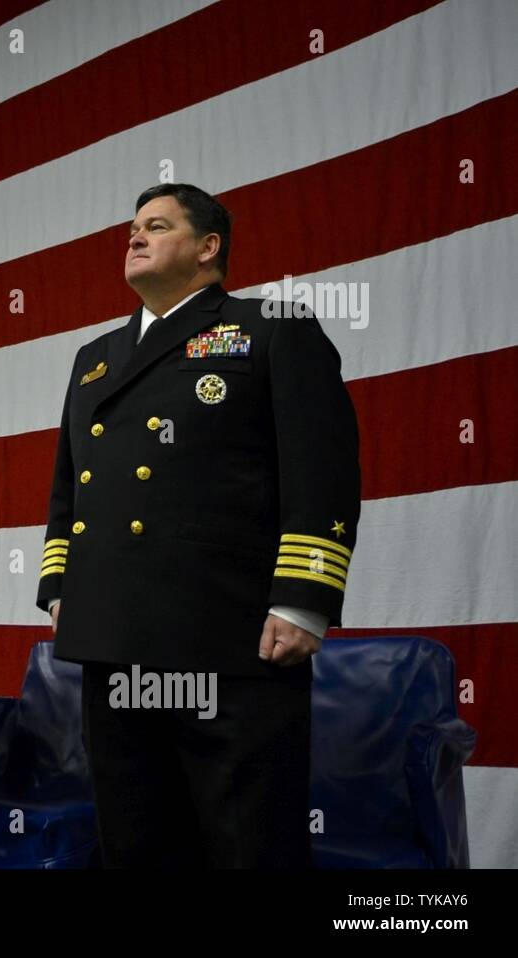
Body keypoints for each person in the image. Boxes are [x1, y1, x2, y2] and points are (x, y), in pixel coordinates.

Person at [37, 184, 361, 867]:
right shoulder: (93, 357)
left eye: (156, 225)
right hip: (113, 637)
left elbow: (321, 468)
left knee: (247, 841)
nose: (134, 236)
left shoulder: (272, 326)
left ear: (208, 247)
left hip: (228, 634)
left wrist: (303, 597)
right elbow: (71, 486)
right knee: (136, 840)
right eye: (131, 227)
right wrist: (62, 587)